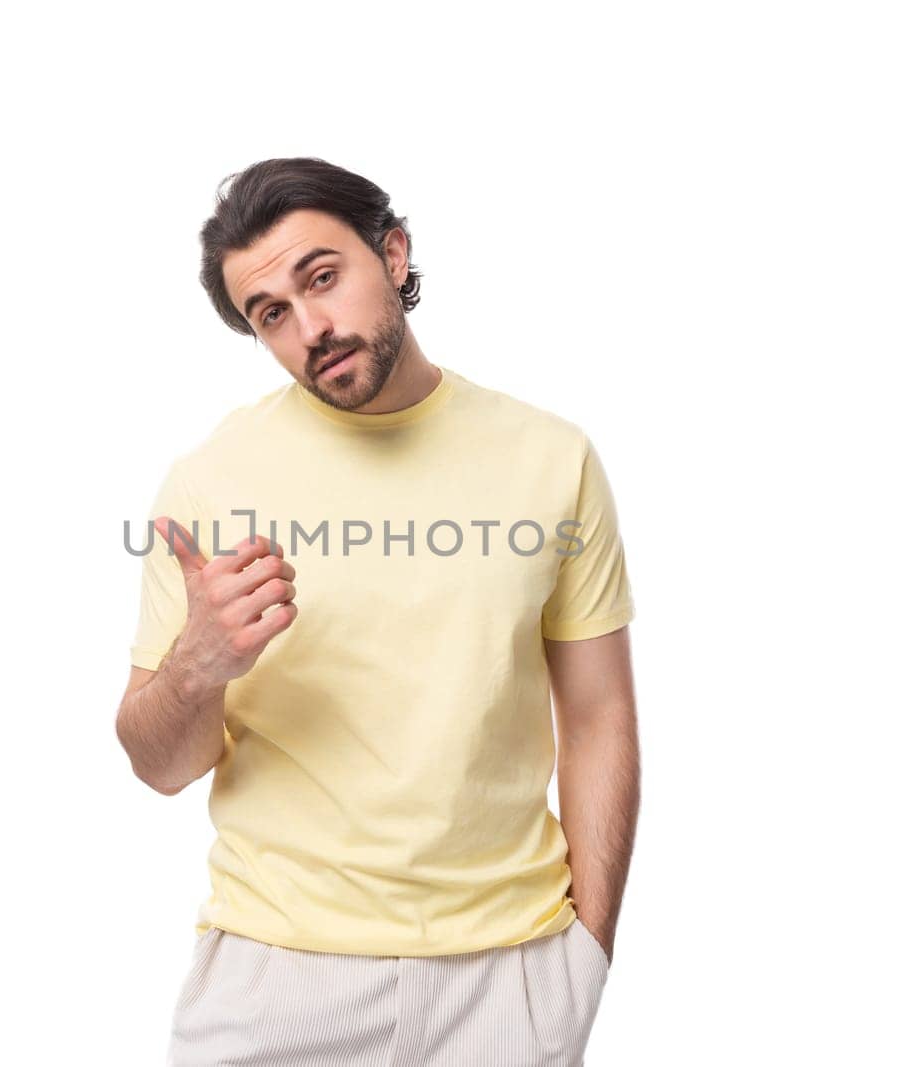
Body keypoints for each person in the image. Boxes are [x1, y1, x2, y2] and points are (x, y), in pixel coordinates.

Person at [116, 157, 641, 1066]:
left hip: (506, 975)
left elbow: (598, 715)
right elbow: (160, 766)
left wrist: (586, 955)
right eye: (270, 312)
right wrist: (198, 663)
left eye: (323, 277)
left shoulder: (552, 459)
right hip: (274, 976)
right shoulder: (210, 483)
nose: (311, 326)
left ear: (393, 254)